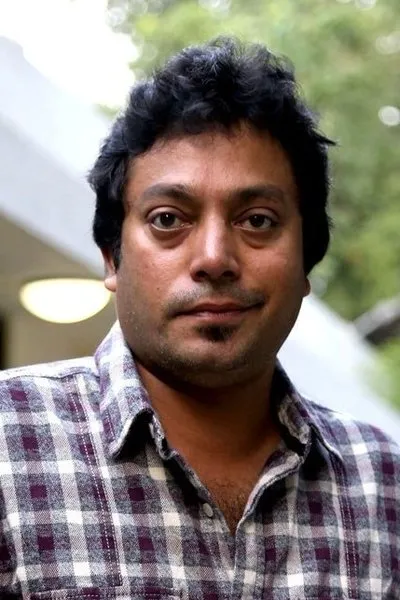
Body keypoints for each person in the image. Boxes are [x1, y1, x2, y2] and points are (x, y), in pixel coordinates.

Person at [0, 37, 398, 600]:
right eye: (168, 218)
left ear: (306, 262)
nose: (214, 258)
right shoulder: (8, 442)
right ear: (112, 257)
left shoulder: (384, 484)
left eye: (257, 221)